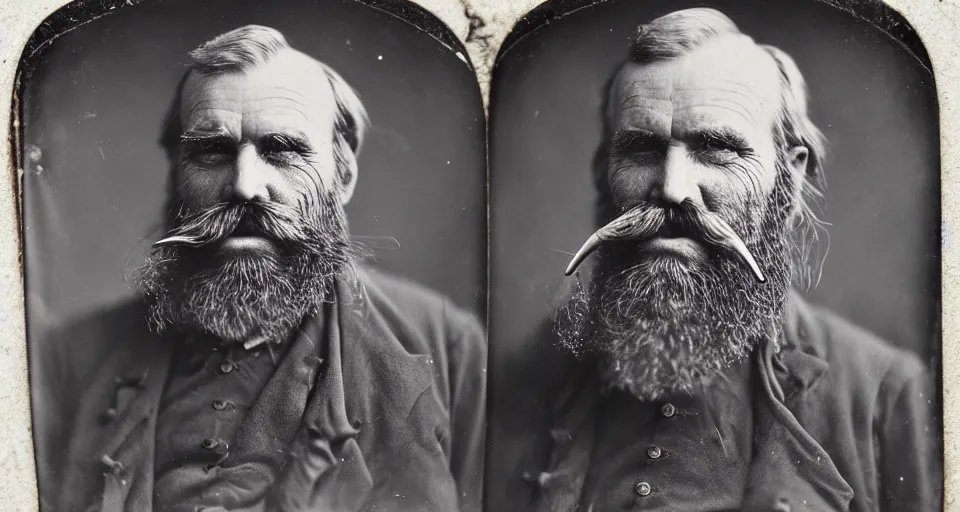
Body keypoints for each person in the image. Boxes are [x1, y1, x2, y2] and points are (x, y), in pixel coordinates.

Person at [493, 8, 940, 512]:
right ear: (605, 172)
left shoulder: (884, 395)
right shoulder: (529, 373)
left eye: (717, 149)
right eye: (641, 150)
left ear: (788, 181)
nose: (673, 188)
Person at [32, 25, 485, 512]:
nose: (246, 185)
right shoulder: (70, 360)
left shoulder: (448, 345)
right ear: (176, 172)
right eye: (212, 150)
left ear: (344, 174)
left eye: (282, 150)